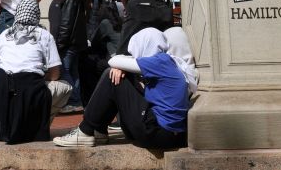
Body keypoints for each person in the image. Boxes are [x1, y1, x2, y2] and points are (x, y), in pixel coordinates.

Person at [53, 27, 194, 149]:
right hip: (171, 135)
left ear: (145, 44)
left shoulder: (159, 62)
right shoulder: (169, 62)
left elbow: (113, 60)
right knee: (121, 75)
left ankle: (86, 130)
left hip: (157, 133)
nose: (134, 54)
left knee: (112, 75)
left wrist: (121, 67)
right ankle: (99, 130)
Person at [0, 0, 72, 144]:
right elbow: (55, 74)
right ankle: (35, 125)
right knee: (66, 87)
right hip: (29, 90)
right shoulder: (44, 35)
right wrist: (40, 75)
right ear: (37, 14)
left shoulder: (5, 34)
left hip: (2, 87)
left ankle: (2, 126)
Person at [56, 0, 89, 113]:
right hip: (77, 43)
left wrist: (60, 43)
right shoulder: (80, 0)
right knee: (74, 72)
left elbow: (66, 24)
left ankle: (74, 101)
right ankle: (78, 102)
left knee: (65, 70)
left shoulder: (70, 0)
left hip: (69, 43)